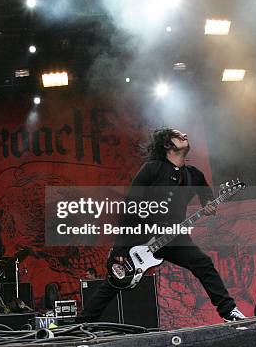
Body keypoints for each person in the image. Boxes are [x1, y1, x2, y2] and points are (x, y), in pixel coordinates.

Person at [80, 128, 247, 322]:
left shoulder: (194, 175)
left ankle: (229, 311)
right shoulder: (152, 169)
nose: (184, 135)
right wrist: (121, 247)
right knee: (117, 282)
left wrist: (211, 206)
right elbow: (130, 206)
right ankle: (81, 322)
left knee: (203, 263)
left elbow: (207, 201)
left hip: (175, 237)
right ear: (167, 145)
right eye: (177, 135)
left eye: (184, 134)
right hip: (143, 235)